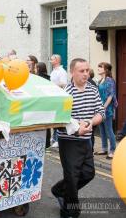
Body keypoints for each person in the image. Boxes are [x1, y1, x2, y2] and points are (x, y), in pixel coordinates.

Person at [51, 58, 104, 218]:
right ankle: (69, 211)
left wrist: (90, 121)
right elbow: (59, 122)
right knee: (72, 177)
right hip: (69, 141)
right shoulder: (66, 94)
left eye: (87, 70)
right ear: (72, 73)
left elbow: (100, 112)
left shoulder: (93, 90)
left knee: (88, 173)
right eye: (82, 71)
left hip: (86, 139)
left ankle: (59, 190)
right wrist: (76, 130)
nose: (86, 74)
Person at [94, 62, 117, 159]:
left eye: (100, 67)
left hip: (107, 109)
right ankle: (104, 148)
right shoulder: (100, 81)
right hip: (100, 108)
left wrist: (104, 107)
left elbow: (110, 96)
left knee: (109, 130)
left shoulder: (110, 80)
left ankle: (113, 150)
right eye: (98, 66)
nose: (98, 68)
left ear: (106, 70)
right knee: (102, 129)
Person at [50, 54, 68, 148]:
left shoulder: (62, 71)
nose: (50, 61)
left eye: (52, 59)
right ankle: (54, 138)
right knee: (53, 117)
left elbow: (64, 83)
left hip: (59, 97)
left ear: (57, 60)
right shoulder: (54, 71)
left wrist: (53, 85)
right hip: (53, 97)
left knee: (58, 118)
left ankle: (57, 139)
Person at [36, 62, 51, 149]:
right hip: (47, 103)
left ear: (38, 68)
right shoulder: (48, 78)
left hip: (40, 103)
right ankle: (47, 143)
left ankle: (41, 142)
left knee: (40, 124)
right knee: (47, 125)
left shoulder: (37, 78)